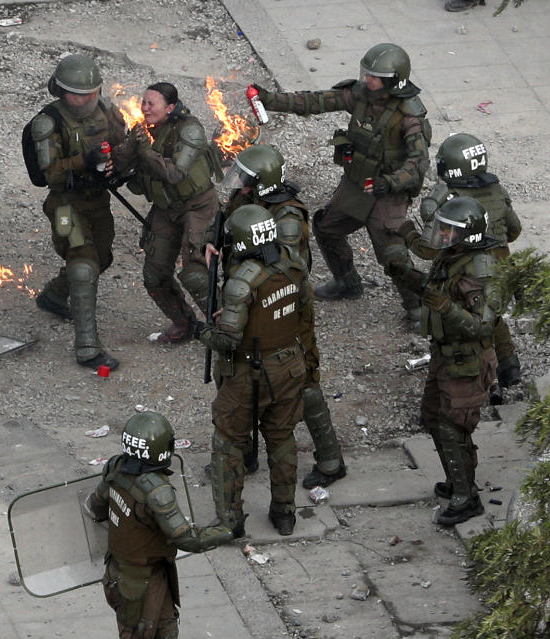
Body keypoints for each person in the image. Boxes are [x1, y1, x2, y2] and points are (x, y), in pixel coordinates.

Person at [251, 42, 431, 326]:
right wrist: (270, 99)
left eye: (374, 77)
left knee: (392, 254)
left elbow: (418, 163)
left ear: (393, 81)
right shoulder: (360, 95)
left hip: (388, 192)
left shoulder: (409, 116)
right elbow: (316, 101)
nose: (366, 80)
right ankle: (347, 282)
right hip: (358, 180)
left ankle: (418, 309)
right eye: (366, 73)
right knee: (326, 227)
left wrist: (391, 182)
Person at [207, 145, 345, 487]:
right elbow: (226, 222)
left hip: (283, 305)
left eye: (245, 179)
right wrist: (213, 241)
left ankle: (330, 460)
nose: (238, 185)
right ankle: (244, 453)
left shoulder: (287, 218)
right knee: (237, 377)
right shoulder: (245, 197)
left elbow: (283, 267)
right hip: (247, 299)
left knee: (304, 380)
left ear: (261, 183)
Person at [200, 204, 311, 536]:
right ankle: (285, 512)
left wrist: (204, 331)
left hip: (248, 372)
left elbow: (229, 340)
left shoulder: (242, 281)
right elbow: (303, 309)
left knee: (228, 443)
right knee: (281, 439)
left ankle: (230, 520)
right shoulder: (293, 263)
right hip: (289, 365)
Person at [387, 197, 500, 526]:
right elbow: (437, 289)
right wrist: (408, 277)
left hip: (468, 360)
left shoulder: (482, 268)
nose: (443, 235)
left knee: (454, 426)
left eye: (449, 230)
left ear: (467, 235)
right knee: (435, 417)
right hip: (444, 353)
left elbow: (482, 325)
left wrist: (442, 305)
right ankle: (457, 479)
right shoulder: (452, 257)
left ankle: (467, 498)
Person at [83, 411, 233, 639]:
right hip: (141, 584)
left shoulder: (115, 467)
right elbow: (187, 540)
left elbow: (95, 506)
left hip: (120, 576)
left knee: (165, 636)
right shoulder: (157, 492)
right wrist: (226, 531)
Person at [27, 53, 133, 371]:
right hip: (64, 204)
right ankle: (88, 348)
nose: (86, 99)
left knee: (102, 258)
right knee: (83, 264)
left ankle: (55, 297)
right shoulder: (48, 124)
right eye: (78, 94)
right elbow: (50, 174)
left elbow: (122, 145)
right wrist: (83, 161)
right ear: (60, 91)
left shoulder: (107, 112)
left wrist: (120, 163)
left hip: (97, 200)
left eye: (91, 93)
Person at [411, 133, 522, 398]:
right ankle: (510, 367)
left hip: (467, 268)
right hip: (502, 265)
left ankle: (487, 380)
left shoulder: (452, 199)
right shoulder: (497, 190)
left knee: (469, 325)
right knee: (494, 318)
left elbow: (430, 241)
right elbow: (514, 230)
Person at [124, 82, 223, 343]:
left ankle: (228, 328)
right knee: (154, 275)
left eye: (151, 104)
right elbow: (125, 169)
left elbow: (174, 173)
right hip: (166, 208)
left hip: (197, 206)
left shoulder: (189, 129)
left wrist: (144, 148)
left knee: (195, 274)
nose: (145, 108)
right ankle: (184, 323)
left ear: (170, 107)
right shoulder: (145, 128)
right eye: (143, 102)